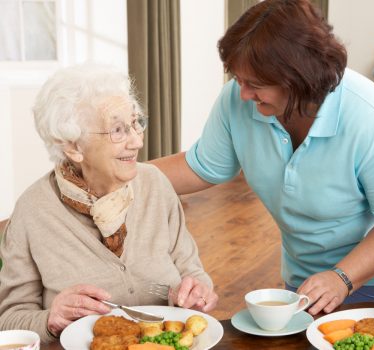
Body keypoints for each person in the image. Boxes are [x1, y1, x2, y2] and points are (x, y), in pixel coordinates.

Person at [151, 0, 374, 316]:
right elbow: (200, 166)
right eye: (238, 79)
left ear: (298, 77)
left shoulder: (371, 118)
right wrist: (114, 174)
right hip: (307, 275)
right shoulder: (238, 100)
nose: (242, 93)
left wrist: (342, 277)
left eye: (254, 84)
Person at [0, 64, 218, 343]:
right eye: (117, 130)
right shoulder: (32, 211)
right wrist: (50, 319)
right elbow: (9, 320)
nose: (137, 140)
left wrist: (197, 292)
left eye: (136, 123)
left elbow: (192, 272)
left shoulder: (155, 185)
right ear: (73, 147)